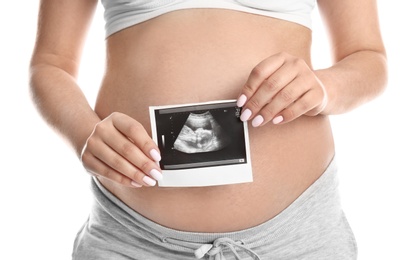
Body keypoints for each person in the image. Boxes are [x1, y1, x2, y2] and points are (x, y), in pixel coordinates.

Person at [29, 0, 387, 259]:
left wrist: (323, 87)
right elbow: (50, 64)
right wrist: (83, 134)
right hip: (133, 239)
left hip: (295, 236)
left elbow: (368, 56)